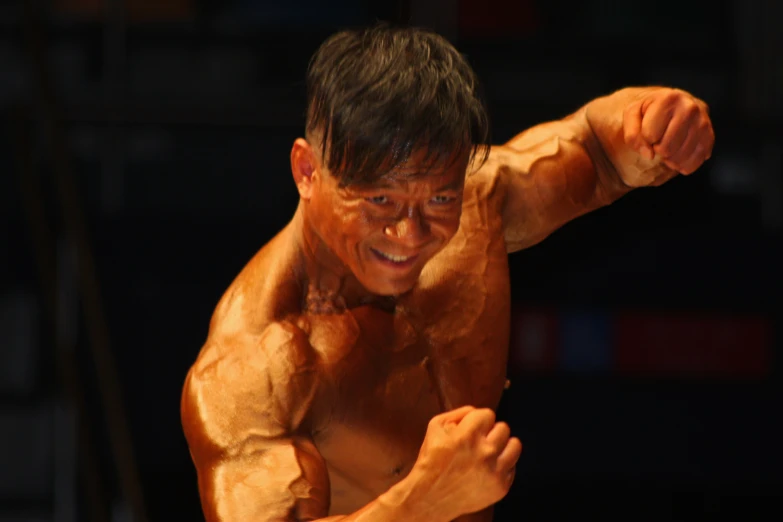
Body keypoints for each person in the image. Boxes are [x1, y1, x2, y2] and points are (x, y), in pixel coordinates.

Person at [180, 24, 714, 522]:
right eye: (380, 199)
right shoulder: (253, 369)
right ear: (307, 171)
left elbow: (595, 148)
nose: (410, 233)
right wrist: (424, 500)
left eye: (438, 197)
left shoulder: (480, 204)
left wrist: (655, 119)